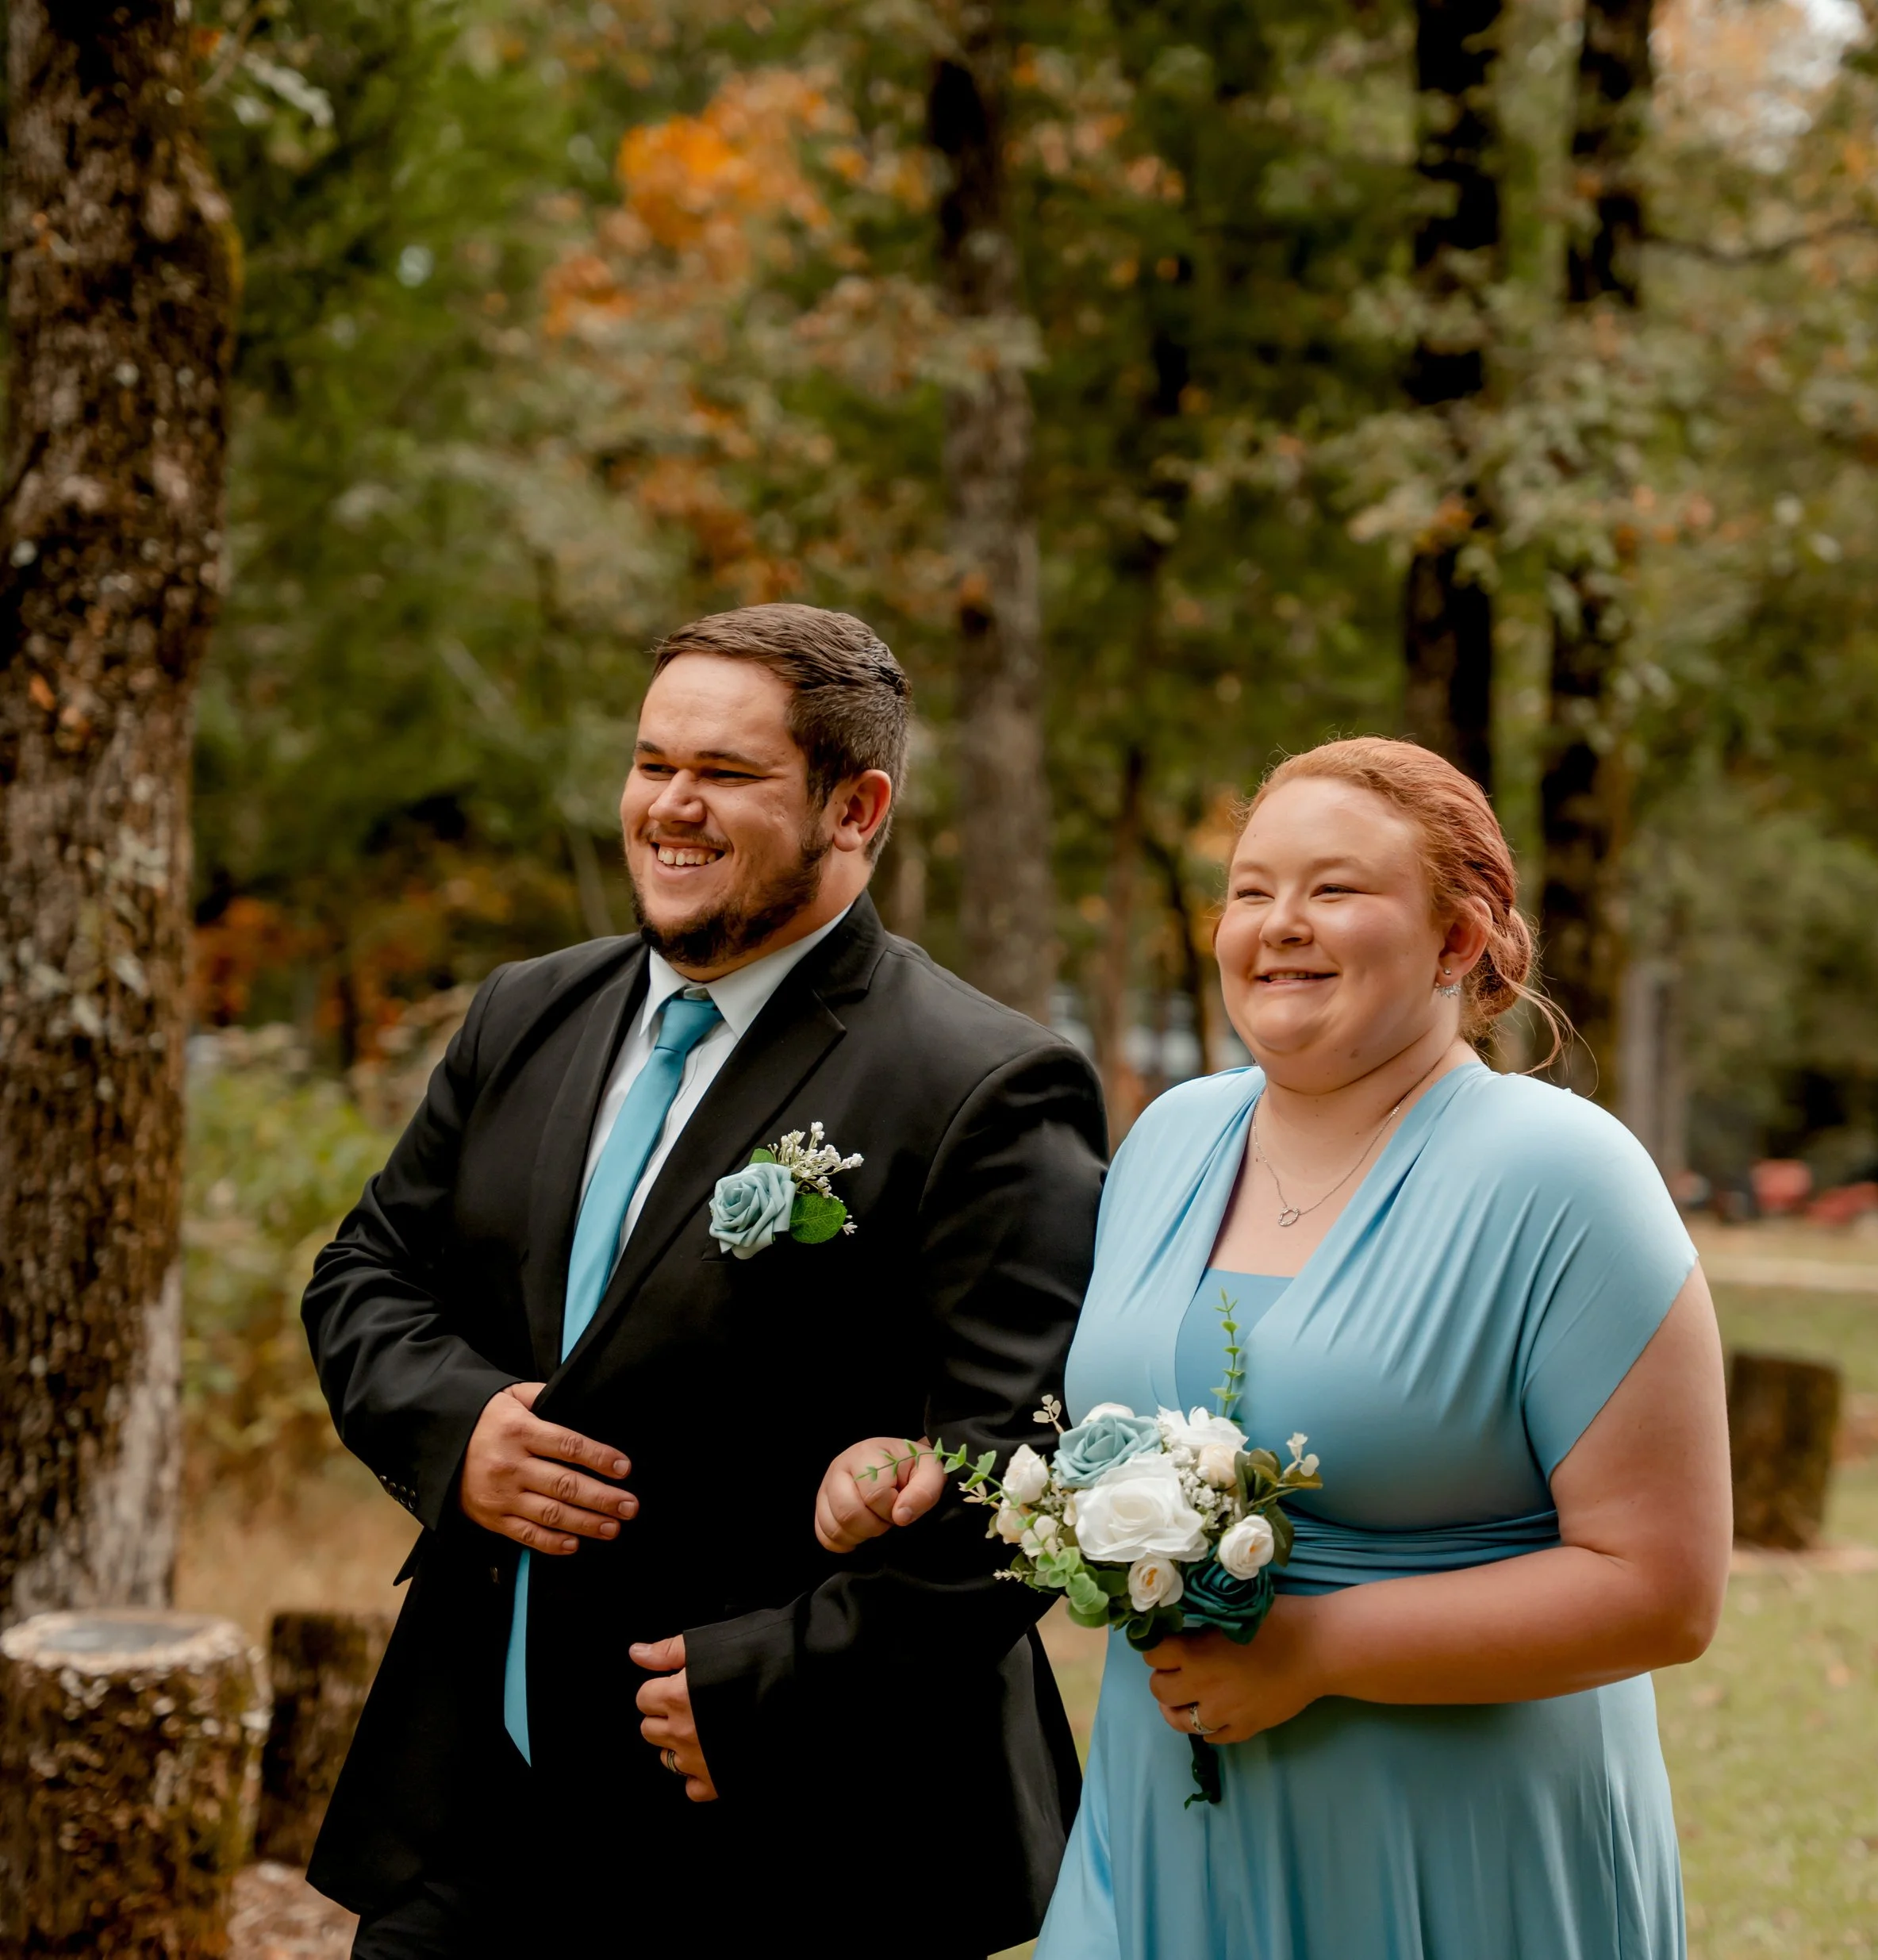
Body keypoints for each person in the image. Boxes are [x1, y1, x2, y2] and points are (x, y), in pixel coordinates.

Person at [820, 735, 1730, 1959]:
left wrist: (1316, 1647)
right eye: (1251, 890)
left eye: (1334, 890)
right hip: (1162, 1830)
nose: (1278, 924)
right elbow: (1089, 1431)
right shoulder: (1167, 1140)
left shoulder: (1562, 1177)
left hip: (1454, 1844)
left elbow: (1662, 1590)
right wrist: (937, 1470)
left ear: (1459, 941)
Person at [303, 603, 1107, 1956]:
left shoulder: (984, 1084)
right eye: (651, 761)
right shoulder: (526, 1011)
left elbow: (1027, 1470)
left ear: (856, 808)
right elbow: (365, 1271)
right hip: (472, 1805)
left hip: (782, 1826)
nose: (669, 806)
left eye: (725, 774)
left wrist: (774, 1682)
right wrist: (461, 1426)